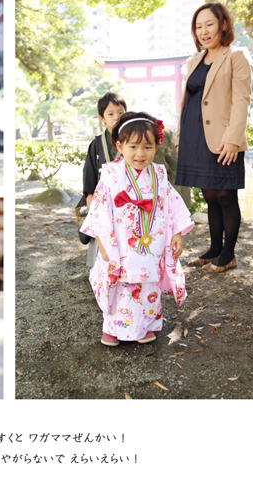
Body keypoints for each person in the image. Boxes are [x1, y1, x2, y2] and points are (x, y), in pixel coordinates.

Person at [80, 111, 194, 346]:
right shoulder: (111, 173)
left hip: (152, 240)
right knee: (119, 283)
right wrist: (102, 241)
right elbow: (100, 209)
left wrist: (177, 233)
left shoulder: (159, 174)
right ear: (120, 146)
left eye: (147, 147)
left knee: (147, 284)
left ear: (156, 147)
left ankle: (144, 326)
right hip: (120, 240)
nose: (140, 154)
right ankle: (112, 327)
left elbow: (172, 204)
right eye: (133, 147)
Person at [175, 2, 252, 273]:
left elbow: (242, 100)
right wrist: (181, 137)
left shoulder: (236, 56)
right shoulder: (194, 61)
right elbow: (187, 102)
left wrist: (233, 138)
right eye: (198, 26)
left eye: (209, 24)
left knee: (225, 195)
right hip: (196, 137)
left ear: (222, 25)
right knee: (209, 195)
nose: (203, 31)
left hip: (223, 138)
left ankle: (228, 255)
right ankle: (214, 249)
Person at [77, 92, 127, 266]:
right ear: (102, 118)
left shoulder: (131, 139)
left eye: (121, 113)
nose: (116, 117)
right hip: (102, 196)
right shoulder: (98, 144)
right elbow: (89, 172)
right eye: (111, 114)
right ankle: (101, 263)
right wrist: (90, 197)